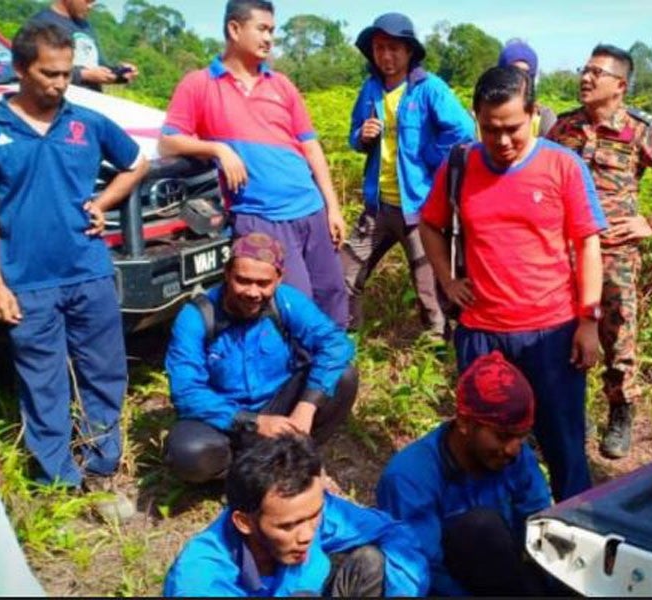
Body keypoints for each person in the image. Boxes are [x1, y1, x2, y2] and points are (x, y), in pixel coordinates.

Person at [420, 66, 606, 501]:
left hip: (552, 331)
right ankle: (493, 534)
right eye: (489, 129)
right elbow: (430, 226)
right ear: (475, 118)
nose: (502, 142)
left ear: (534, 115)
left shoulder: (563, 166)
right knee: (482, 445)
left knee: (563, 444)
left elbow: (588, 245)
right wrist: (447, 281)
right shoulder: (461, 165)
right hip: (482, 331)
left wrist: (589, 320)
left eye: (512, 129)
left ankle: (574, 528)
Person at [0, 23, 148, 490]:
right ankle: (58, 481)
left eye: (66, 74)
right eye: (50, 74)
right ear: (20, 68)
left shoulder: (87, 122)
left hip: (89, 270)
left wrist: (103, 204)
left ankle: (101, 465)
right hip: (25, 281)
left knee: (103, 371)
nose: (61, 83)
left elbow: (136, 162)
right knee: (44, 385)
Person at [159, 0, 348, 328]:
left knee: (331, 293)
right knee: (290, 305)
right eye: (262, 29)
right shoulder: (200, 84)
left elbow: (311, 147)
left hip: (310, 208)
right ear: (234, 29)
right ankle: (294, 376)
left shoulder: (281, 84)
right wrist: (217, 148)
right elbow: (168, 141)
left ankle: (333, 374)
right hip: (261, 217)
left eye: (272, 31)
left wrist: (332, 207)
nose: (269, 38)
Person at [547, 44, 652, 459]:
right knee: (561, 338)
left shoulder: (641, 130)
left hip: (614, 256)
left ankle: (621, 413)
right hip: (565, 255)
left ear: (620, 85)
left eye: (596, 72)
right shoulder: (565, 127)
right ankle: (573, 414)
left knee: (617, 340)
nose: (586, 78)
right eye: (585, 69)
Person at [164, 233, 358, 484]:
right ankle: (255, 468)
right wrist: (252, 423)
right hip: (225, 418)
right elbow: (186, 392)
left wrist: (306, 406)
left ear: (279, 278)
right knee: (188, 453)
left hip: (279, 405)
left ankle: (293, 454)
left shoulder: (286, 302)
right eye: (243, 281)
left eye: (263, 283)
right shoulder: (196, 316)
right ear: (227, 274)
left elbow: (335, 344)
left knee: (344, 377)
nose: (253, 292)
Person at [377, 351, 554, 596]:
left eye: (522, 436)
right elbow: (422, 569)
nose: (514, 449)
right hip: (444, 587)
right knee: (480, 527)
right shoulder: (409, 478)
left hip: (505, 574)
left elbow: (539, 525)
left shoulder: (515, 457)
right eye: (503, 436)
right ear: (464, 423)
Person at [164, 434, 429, 597]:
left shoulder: (308, 510)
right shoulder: (200, 577)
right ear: (244, 522)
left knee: (371, 562)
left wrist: (403, 592)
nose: (307, 534)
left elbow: (395, 533)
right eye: (287, 526)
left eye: (314, 515)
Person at [342, 12, 475, 337]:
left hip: (419, 208)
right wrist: (363, 135)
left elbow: (464, 130)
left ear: (409, 51)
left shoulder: (428, 89)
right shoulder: (370, 90)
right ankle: (344, 339)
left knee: (429, 287)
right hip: (378, 206)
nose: (386, 56)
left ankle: (437, 345)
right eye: (379, 48)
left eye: (394, 48)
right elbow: (353, 136)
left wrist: (430, 155)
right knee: (344, 274)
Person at [28, 0, 138, 91]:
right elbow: (36, 68)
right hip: (60, 103)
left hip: (90, 102)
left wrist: (119, 74)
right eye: (88, 1)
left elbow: (97, 65)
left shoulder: (85, 25)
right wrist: (84, 75)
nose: (90, 6)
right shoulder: (42, 22)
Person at [497, 39, 556, 137]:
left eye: (525, 73)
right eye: (513, 72)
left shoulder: (544, 117)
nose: (519, 79)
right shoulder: (481, 115)